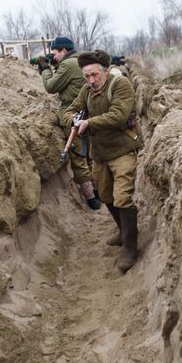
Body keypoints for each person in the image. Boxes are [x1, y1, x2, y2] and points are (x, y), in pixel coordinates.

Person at [62, 50, 143, 272]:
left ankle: (130, 246)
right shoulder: (86, 91)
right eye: (87, 76)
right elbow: (69, 110)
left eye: (95, 75)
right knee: (105, 194)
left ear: (105, 71)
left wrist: (89, 123)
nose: (91, 80)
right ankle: (122, 229)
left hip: (123, 149)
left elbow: (119, 114)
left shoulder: (120, 85)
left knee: (122, 197)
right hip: (100, 153)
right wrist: (73, 119)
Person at [36, 35, 101, 210]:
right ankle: (98, 190)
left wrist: (44, 68)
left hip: (73, 115)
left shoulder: (67, 64)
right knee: (89, 155)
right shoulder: (80, 61)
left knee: (78, 156)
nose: (54, 55)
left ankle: (91, 199)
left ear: (63, 50)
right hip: (90, 113)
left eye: (55, 52)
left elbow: (51, 86)